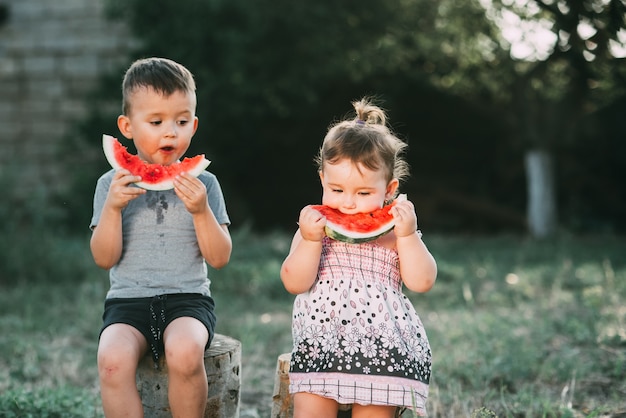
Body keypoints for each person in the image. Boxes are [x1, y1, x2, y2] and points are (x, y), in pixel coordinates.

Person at [89, 57, 232, 418]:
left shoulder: (205, 185)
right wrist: (112, 209)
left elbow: (219, 258)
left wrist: (201, 211)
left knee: (185, 353)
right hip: (127, 303)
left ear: (194, 124)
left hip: (188, 301)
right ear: (127, 126)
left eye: (182, 121)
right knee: (110, 360)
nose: (170, 132)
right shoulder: (111, 185)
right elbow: (104, 258)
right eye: (156, 122)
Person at [280, 98, 437, 418]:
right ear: (323, 179)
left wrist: (407, 235)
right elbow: (294, 282)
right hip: (320, 346)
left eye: (363, 193)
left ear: (389, 189)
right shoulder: (316, 228)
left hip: (381, 352)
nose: (348, 204)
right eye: (337, 190)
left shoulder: (396, 235)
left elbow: (422, 282)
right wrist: (310, 241)